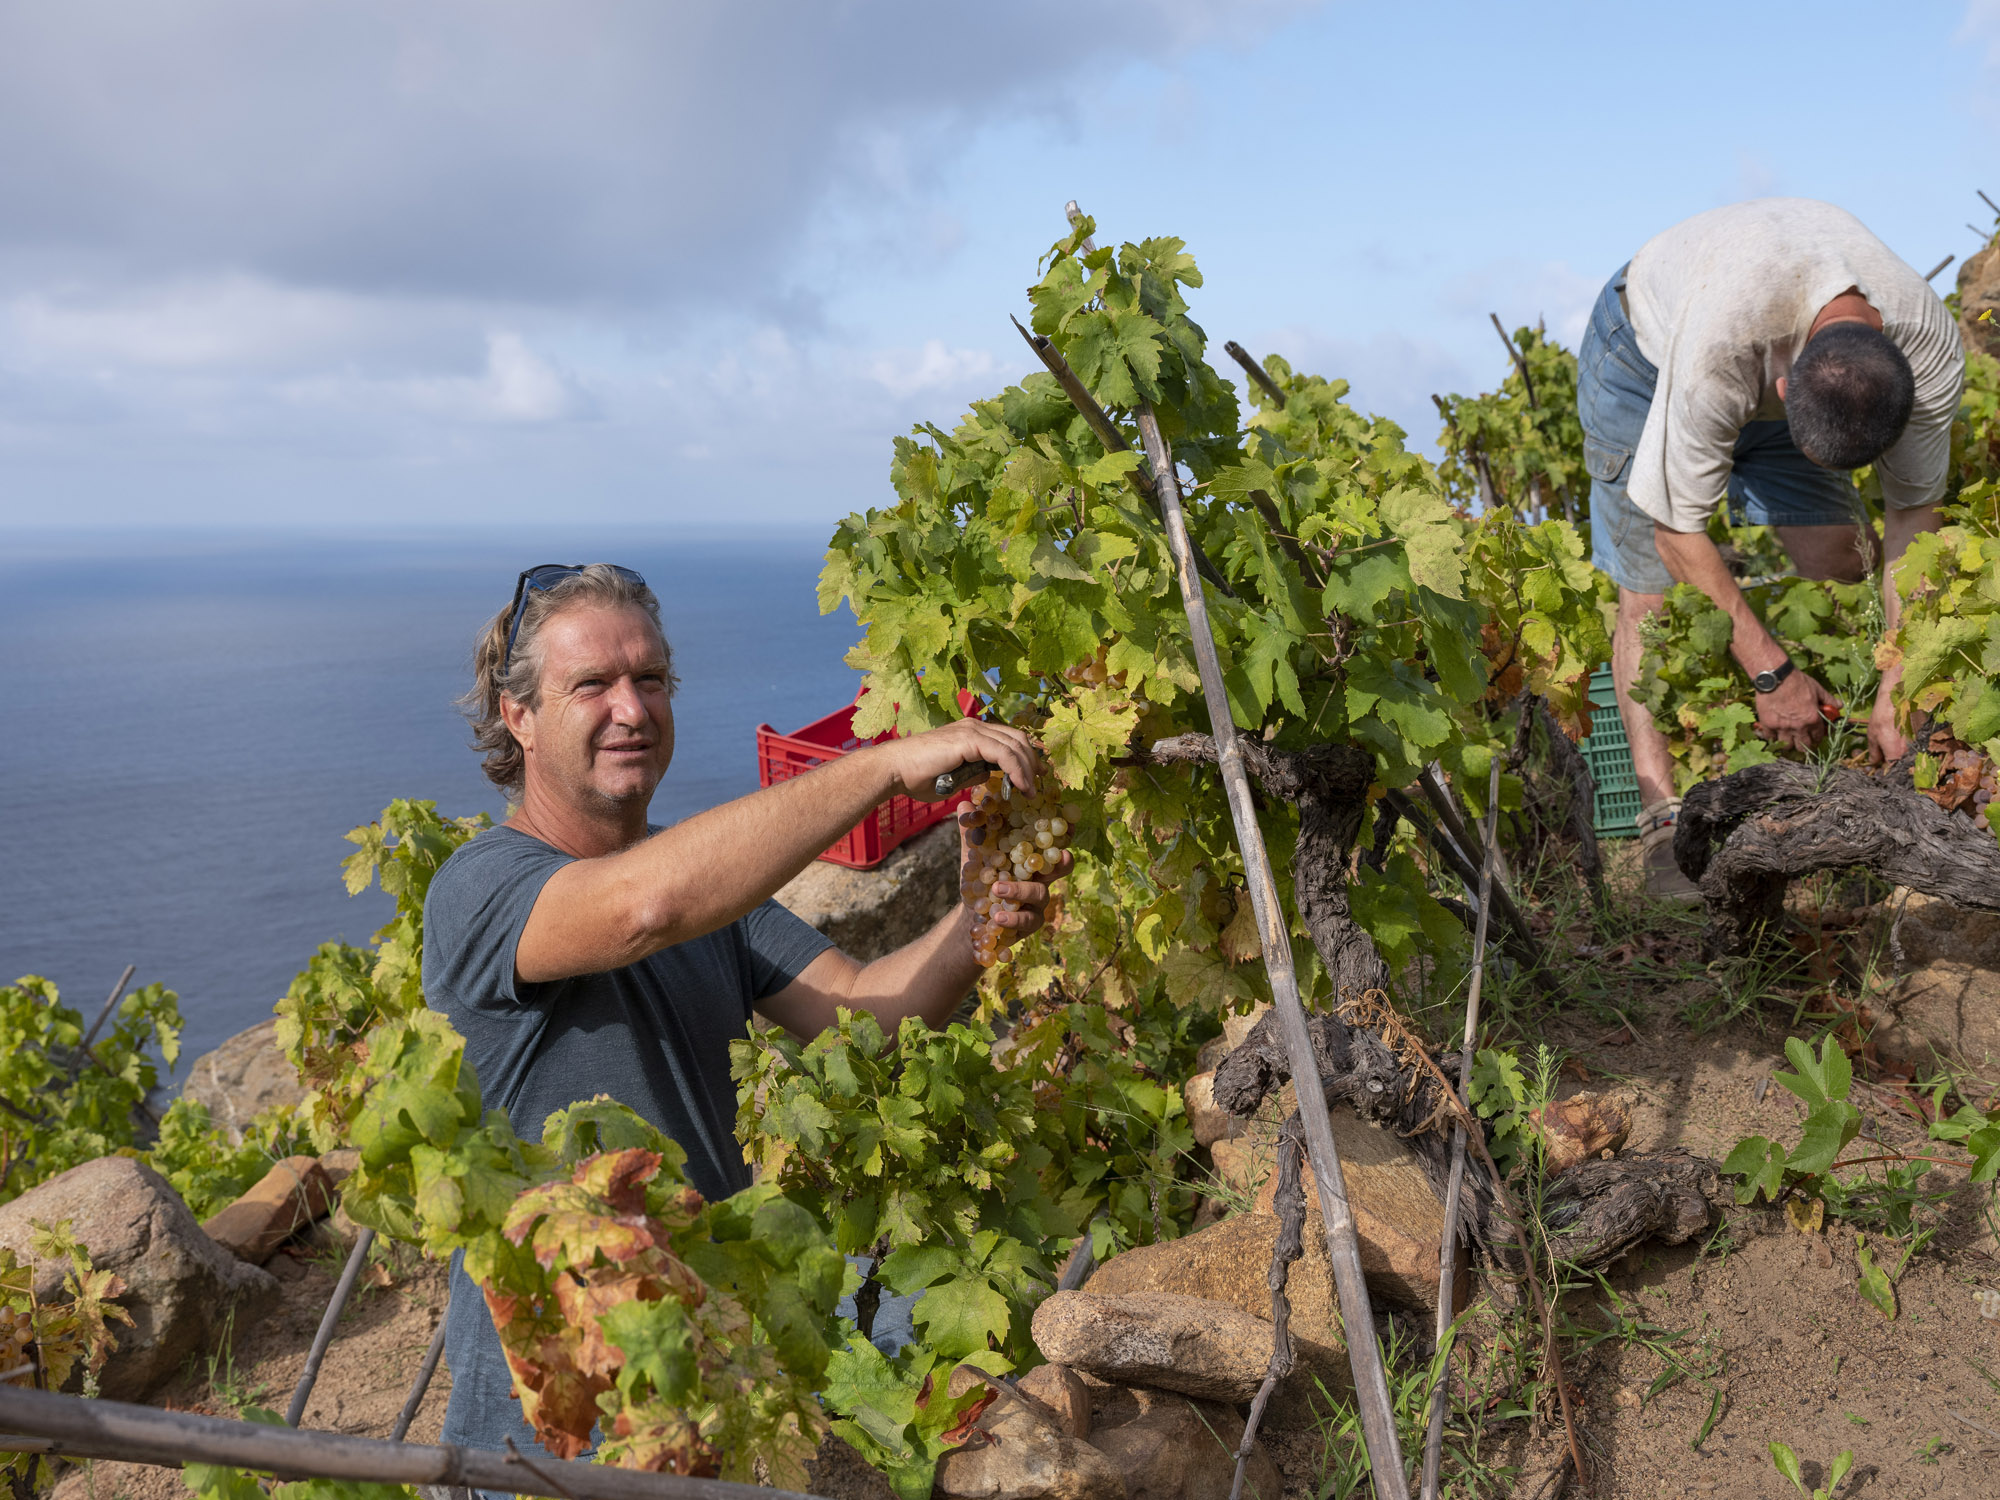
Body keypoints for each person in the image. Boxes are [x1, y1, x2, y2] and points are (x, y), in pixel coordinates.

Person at [420, 563, 1063, 1469]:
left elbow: (867, 1015)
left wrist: (971, 925)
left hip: (708, 1377)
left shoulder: (717, 901)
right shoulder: (482, 888)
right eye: (592, 685)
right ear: (516, 714)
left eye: (650, 679)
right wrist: (880, 767)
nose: (632, 709)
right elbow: (642, 908)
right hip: (555, 1412)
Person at [1579, 198, 1966, 898]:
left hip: (1786, 346)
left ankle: (1838, 788)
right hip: (1645, 358)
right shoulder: (1717, 351)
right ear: (1784, 392)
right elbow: (1675, 531)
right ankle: (1664, 819)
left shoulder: (1930, 354)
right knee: (1648, 597)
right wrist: (1768, 670)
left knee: (1843, 559)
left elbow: (1912, 520)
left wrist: (1896, 684)